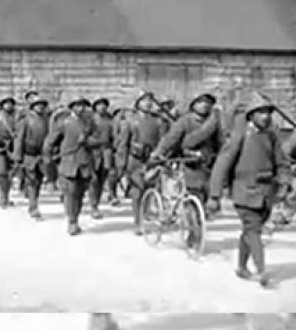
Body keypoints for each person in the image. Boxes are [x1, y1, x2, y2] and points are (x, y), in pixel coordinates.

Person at [209, 91, 292, 283]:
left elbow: (281, 162)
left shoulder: (272, 137)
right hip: (244, 192)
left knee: (249, 230)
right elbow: (222, 162)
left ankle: (241, 267)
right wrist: (215, 195)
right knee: (253, 230)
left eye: (268, 112)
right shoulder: (240, 135)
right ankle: (261, 270)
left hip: (266, 193)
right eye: (261, 112)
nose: (266, 116)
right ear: (251, 115)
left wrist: (285, 182)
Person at [153, 91, 222, 207]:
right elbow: (171, 139)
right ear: (193, 105)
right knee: (190, 192)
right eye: (200, 102)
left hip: (206, 163)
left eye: (207, 102)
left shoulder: (214, 123)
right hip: (188, 163)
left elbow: (219, 142)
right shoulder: (185, 121)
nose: (204, 105)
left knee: (206, 193)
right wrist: (159, 152)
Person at [115, 91, 166, 235]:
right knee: (137, 191)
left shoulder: (158, 121)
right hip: (135, 160)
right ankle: (138, 221)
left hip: (153, 160)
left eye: (150, 101)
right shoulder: (130, 121)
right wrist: (121, 164)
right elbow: (123, 144)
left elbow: (164, 139)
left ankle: (145, 213)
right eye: (144, 101)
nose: (148, 103)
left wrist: (160, 154)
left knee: (150, 189)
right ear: (137, 104)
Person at [44, 97, 96, 235]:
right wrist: (49, 156)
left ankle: (76, 217)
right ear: (72, 107)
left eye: (83, 106)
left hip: (84, 161)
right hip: (68, 161)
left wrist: (89, 141)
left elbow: (98, 139)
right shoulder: (63, 122)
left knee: (80, 193)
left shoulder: (89, 123)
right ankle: (72, 221)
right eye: (77, 106)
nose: (80, 108)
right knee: (70, 192)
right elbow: (51, 141)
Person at [13, 96, 50, 219]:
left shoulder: (47, 120)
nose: (40, 106)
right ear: (32, 106)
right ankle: (33, 207)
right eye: (37, 104)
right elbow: (19, 139)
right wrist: (18, 157)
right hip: (29, 155)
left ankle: (34, 203)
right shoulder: (26, 121)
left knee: (38, 181)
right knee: (32, 181)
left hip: (42, 155)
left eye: (42, 104)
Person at [86, 97, 115, 219]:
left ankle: (96, 203)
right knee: (93, 180)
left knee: (102, 180)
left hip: (106, 153)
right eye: (99, 104)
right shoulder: (90, 120)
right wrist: (95, 141)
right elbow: (84, 136)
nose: (102, 107)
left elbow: (115, 136)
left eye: (104, 104)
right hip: (93, 152)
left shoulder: (110, 120)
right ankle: (93, 205)